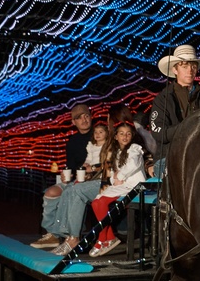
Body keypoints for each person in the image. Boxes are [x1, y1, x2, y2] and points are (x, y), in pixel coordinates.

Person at [48, 104, 141, 255]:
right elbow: (107, 163)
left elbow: (114, 163)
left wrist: (98, 175)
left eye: (108, 119)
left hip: (119, 183)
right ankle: (67, 236)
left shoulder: (120, 137)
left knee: (76, 190)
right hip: (109, 180)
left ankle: (72, 239)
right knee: (71, 188)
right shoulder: (107, 138)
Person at [30, 104, 93, 249]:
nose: (84, 120)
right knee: (50, 192)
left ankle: (64, 234)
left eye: (86, 116)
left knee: (70, 192)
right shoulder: (72, 141)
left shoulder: (98, 134)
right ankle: (52, 233)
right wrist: (66, 175)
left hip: (90, 180)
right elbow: (70, 166)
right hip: (76, 178)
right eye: (79, 118)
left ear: (91, 117)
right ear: (73, 122)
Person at [149, 44, 200, 180]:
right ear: (175, 69)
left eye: (193, 66)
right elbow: (159, 134)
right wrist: (189, 127)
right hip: (167, 158)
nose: (190, 71)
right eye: (184, 66)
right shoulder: (163, 99)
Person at [89, 122, 146, 257]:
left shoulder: (135, 148)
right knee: (96, 203)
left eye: (128, 134)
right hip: (122, 186)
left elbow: (133, 163)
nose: (125, 136)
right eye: (121, 134)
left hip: (135, 186)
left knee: (101, 202)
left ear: (132, 136)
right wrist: (113, 179)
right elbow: (113, 174)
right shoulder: (117, 152)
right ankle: (109, 236)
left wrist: (119, 176)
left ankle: (102, 238)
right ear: (116, 137)